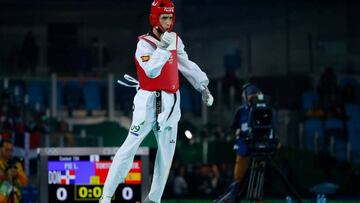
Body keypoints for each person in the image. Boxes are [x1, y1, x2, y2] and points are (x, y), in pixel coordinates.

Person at [99, 0, 214, 202]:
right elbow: (151, 71)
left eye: (170, 18)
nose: (168, 22)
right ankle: (106, 196)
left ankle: (153, 200)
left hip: (171, 103)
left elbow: (187, 65)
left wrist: (202, 86)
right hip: (148, 102)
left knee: (166, 156)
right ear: (154, 18)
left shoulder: (175, 40)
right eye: (164, 17)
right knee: (128, 148)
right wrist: (162, 48)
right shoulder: (143, 44)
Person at [215, 83, 262, 203]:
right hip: (243, 148)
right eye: (251, 95)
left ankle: (257, 200)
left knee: (258, 178)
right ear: (245, 97)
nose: (253, 98)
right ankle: (231, 199)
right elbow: (232, 128)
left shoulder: (261, 110)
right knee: (238, 179)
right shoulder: (241, 111)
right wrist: (238, 132)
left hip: (258, 149)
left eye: (255, 95)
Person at [0, 139, 28, 203]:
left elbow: (25, 182)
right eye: (6, 150)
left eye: (11, 150)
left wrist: (17, 174)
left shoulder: (16, 165)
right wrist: (6, 178)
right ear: (0, 149)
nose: (9, 153)